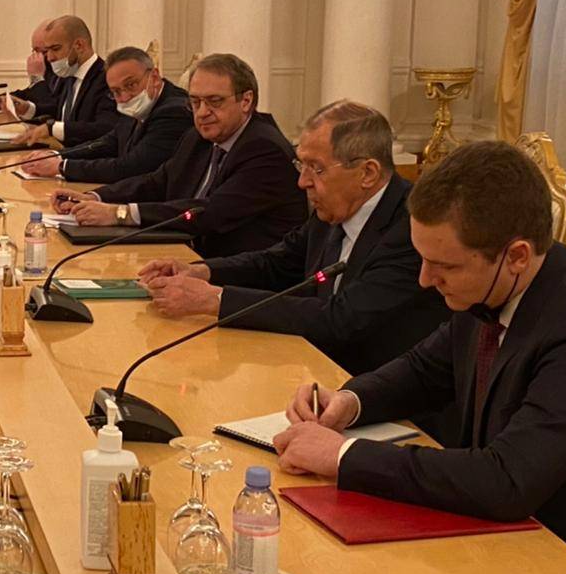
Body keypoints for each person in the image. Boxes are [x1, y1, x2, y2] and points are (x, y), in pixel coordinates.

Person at [273, 141, 566, 560]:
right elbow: (424, 370)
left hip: (562, 559)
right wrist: (349, 402)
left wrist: (343, 455)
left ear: (516, 255)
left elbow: (507, 480)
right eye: (423, 259)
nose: (424, 280)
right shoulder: (491, 285)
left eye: (445, 266)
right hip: (494, 541)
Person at [138, 101, 449, 374]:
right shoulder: (335, 208)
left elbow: (342, 320)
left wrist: (214, 300)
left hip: (375, 389)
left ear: (367, 173)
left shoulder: (412, 228)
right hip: (313, 368)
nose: (302, 182)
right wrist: (201, 271)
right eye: (302, 165)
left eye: (316, 168)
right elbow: (278, 262)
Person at [52, 53, 304, 258]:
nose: (202, 112)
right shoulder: (199, 136)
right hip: (184, 253)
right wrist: (96, 196)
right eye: (195, 102)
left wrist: (119, 214)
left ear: (246, 101)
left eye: (214, 101)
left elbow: (211, 212)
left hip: (238, 275)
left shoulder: (264, 149)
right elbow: (159, 181)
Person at [19, 45, 192, 184]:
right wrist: (58, 155)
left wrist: (62, 167)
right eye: (116, 91)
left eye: (131, 85)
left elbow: (131, 167)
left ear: (154, 76)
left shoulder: (174, 111)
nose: (124, 97)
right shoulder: (137, 104)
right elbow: (109, 142)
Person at [7, 15, 119, 147]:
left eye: (55, 49)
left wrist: (52, 129)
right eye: (47, 50)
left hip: (86, 156)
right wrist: (28, 108)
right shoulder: (70, 71)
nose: (49, 58)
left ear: (79, 45)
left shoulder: (107, 78)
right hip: (60, 151)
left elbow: (105, 127)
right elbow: (61, 112)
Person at [0, 18, 61, 115]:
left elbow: (49, 109)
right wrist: (1, 100)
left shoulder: (63, 70)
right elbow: (29, 94)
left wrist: (37, 78)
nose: (37, 57)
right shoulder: (48, 68)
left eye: (43, 51)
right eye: (34, 51)